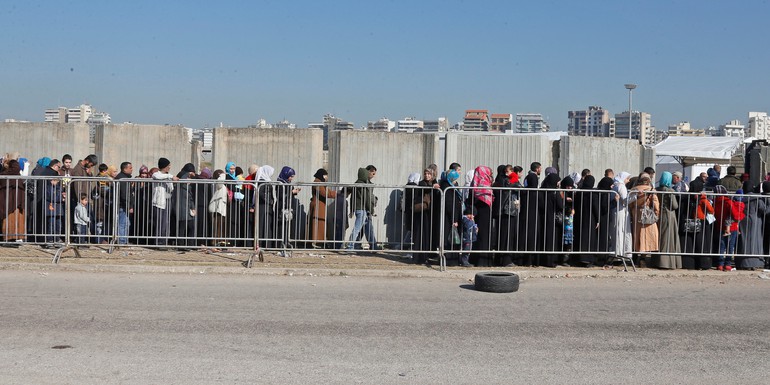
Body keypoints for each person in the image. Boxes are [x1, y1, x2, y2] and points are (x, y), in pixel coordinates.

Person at [492, 165, 519, 267]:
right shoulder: (506, 181)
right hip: (507, 211)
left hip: (502, 212)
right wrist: (513, 176)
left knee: (501, 236)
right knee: (507, 236)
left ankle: (500, 259)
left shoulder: (497, 181)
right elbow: (517, 186)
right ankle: (506, 260)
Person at [629, 176, 659, 267]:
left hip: (636, 214)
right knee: (645, 237)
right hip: (646, 215)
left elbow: (630, 203)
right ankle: (643, 259)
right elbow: (655, 203)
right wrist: (657, 213)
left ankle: (634, 258)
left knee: (636, 236)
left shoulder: (633, 190)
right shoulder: (651, 190)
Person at [654, 172, 681, 269]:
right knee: (668, 239)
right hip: (669, 215)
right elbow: (675, 205)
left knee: (659, 238)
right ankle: (666, 262)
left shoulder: (656, 190)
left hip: (658, 216)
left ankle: (656, 260)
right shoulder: (670, 190)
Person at [346, 166, 378, 251]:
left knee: (367, 228)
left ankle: (373, 245)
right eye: (371, 172)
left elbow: (353, 199)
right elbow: (367, 199)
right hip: (363, 209)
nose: (373, 174)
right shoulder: (364, 185)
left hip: (360, 209)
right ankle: (350, 246)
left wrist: (352, 210)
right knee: (357, 229)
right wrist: (371, 209)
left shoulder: (357, 184)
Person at [714, 186, 744, 271]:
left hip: (719, 225)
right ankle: (727, 264)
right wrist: (742, 215)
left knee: (721, 246)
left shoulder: (716, 202)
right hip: (732, 227)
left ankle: (720, 264)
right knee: (730, 246)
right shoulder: (728, 202)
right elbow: (735, 215)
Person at [572, 175, 600, 267]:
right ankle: (587, 259)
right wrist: (598, 219)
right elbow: (595, 207)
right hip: (590, 219)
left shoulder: (580, 192)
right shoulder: (592, 193)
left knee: (580, 237)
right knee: (589, 239)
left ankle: (579, 258)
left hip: (580, 218)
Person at [736, 186, 765, 270]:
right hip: (755, 221)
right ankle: (756, 262)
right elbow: (762, 209)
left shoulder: (741, 198)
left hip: (743, 221)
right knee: (755, 241)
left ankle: (743, 262)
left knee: (743, 241)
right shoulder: (757, 198)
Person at [470, 165, 494, 267]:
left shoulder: (475, 184)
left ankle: (482, 259)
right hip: (483, 212)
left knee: (482, 236)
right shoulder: (483, 185)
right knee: (483, 236)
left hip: (482, 212)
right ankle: (482, 260)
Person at [152, 158, 178, 249]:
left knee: (166, 224)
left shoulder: (168, 176)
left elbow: (171, 188)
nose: (170, 167)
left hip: (167, 202)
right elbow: (158, 177)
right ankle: (159, 243)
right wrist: (170, 177)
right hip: (159, 203)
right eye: (168, 165)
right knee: (159, 224)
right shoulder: (156, 174)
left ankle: (164, 242)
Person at [540, 172, 564, 267]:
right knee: (552, 239)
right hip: (552, 218)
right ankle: (551, 261)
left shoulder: (543, 190)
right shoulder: (555, 192)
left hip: (543, 217)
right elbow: (560, 205)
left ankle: (544, 260)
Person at [309, 168, 337, 248]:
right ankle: (315, 242)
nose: (327, 177)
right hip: (317, 207)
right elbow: (324, 193)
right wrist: (336, 194)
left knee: (320, 224)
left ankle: (319, 242)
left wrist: (337, 193)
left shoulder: (321, 183)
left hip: (320, 206)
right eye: (325, 175)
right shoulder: (317, 183)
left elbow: (328, 192)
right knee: (317, 224)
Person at [0, 159, 26, 243]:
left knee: (14, 220)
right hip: (12, 203)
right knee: (11, 220)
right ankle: (12, 238)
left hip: (11, 203)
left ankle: (13, 237)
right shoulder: (6, 175)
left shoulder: (4, 174)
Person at [275, 166, 300, 253]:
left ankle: (285, 242)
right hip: (281, 207)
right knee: (281, 226)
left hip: (288, 207)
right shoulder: (280, 183)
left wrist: (294, 192)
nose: (291, 178)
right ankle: (280, 244)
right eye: (291, 176)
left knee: (286, 226)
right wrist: (291, 192)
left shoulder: (287, 182)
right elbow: (281, 195)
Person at [174, 163, 197, 249]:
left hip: (187, 207)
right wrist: (188, 174)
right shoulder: (182, 178)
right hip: (181, 206)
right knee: (182, 227)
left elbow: (190, 196)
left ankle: (190, 244)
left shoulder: (187, 183)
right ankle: (181, 245)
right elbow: (182, 178)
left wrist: (193, 207)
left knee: (190, 226)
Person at [253, 165, 275, 249]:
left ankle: (266, 244)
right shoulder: (262, 181)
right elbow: (261, 193)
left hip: (266, 207)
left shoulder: (266, 180)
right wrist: (269, 200)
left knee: (266, 225)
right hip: (263, 207)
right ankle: (262, 244)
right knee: (262, 225)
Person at [113, 162, 134, 245]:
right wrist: (129, 206)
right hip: (122, 206)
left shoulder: (124, 178)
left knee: (126, 224)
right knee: (122, 224)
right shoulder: (122, 179)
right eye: (130, 168)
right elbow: (124, 194)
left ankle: (124, 241)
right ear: (125, 169)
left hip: (124, 205)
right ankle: (121, 241)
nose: (132, 169)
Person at [208, 169, 229, 251]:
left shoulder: (220, 185)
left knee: (221, 227)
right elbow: (220, 181)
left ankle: (221, 242)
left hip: (221, 209)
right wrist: (223, 174)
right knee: (217, 227)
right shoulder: (218, 184)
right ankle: (216, 243)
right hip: (218, 209)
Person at [44, 177, 64, 246]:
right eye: (54, 180)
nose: (56, 182)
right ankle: (49, 240)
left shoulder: (59, 188)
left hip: (58, 209)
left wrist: (62, 197)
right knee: (51, 225)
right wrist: (61, 198)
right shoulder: (48, 188)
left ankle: (57, 239)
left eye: (56, 181)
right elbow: (51, 197)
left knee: (58, 225)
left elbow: (61, 197)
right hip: (51, 209)